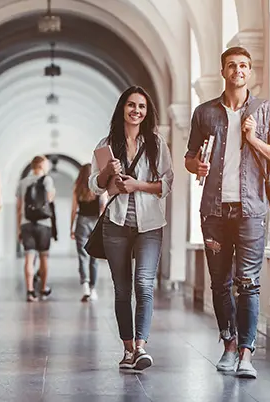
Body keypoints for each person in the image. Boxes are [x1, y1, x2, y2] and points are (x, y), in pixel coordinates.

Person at [185, 46, 270, 379]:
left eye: (243, 65)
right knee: (219, 284)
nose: (238, 70)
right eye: (232, 65)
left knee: (249, 283)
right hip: (213, 209)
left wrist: (254, 140)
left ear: (250, 71)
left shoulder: (267, 111)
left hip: (252, 210)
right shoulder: (204, 113)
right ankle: (228, 344)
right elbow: (188, 158)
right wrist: (194, 164)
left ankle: (246, 353)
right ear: (223, 71)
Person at [89, 86, 173, 371]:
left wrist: (138, 185)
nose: (136, 111)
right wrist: (107, 171)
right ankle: (127, 350)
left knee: (144, 284)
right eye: (131, 105)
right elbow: (95, 187)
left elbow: (166, 184)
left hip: (150, 225)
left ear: (147, 112)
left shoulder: (157, 144)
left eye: (142, 107)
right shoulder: (106, 144)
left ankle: (141, 347)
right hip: (116, 224)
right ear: (122, 109)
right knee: (122, 289)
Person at [16, 156, 55, 302]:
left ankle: (30, 291)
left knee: (29, 258)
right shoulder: (47, 180)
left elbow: (19, 207)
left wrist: (18, 228)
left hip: (26, 223)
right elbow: (50, 199)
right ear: (42, 165)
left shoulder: (22, 182)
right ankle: (43, 289)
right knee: (44, 257)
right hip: (44, 224)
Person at [70, 163, 105, 302]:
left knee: (82, 256)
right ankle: (93, 288)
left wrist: (71, 228)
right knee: (94, 258)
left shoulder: (77, 188)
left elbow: (73, 210)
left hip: (81, 222)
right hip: (95, 222)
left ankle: (85, 285)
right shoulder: (98, 188)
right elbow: (104, 205)